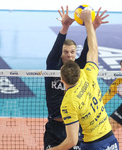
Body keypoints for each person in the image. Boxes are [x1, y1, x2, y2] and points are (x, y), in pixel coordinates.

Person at [48, 9, 119, 150]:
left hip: (91, 143)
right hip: (110, 140)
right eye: (66, 52)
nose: (69, 55)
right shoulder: (88, 74)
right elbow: (93, 51)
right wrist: (89, 24)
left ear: (62, 79)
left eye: (72, 52)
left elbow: (71, 141)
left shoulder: (68, 102)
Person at [102, 60, 122, 132]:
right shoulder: (119, 82)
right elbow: (108, 95)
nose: (120, 69)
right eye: (121, 66)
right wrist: (99, 105)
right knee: (107, 129)